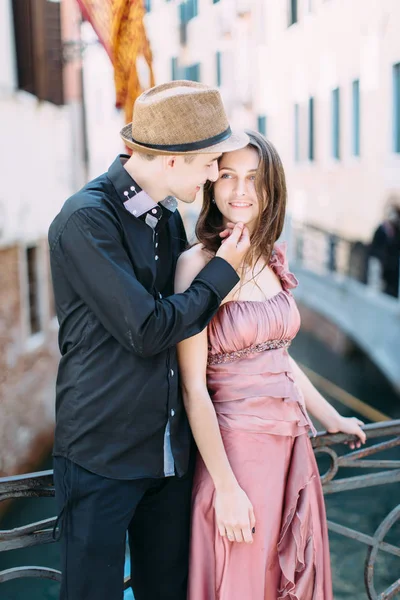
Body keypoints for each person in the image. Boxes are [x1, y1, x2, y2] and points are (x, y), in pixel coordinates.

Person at [47, 80, 251, 600]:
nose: (213, 176)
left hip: (168, 459)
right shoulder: (85, 219)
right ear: (172, 161)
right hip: (102, 457)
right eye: (209, 163)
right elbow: (148, 329)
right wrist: (221, 273)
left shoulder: (167, 216)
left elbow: (182, 328)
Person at [175, 130, 366, 600]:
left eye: (254, 179)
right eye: (227, 176)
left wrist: (331, 417)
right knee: (244, 580)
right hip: (236, 456)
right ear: (211, 186)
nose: (240, 191)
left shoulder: (269, 259)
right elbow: (192, 389)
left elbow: (281, 360)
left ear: (271, 187)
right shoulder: (195, 265)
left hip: (291, 449)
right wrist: (227, 489)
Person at [370, 200, 400, 297]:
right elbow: (374, 247)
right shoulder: (380, 230)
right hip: (380, 265)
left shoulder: (396, 231)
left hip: (392, 269)